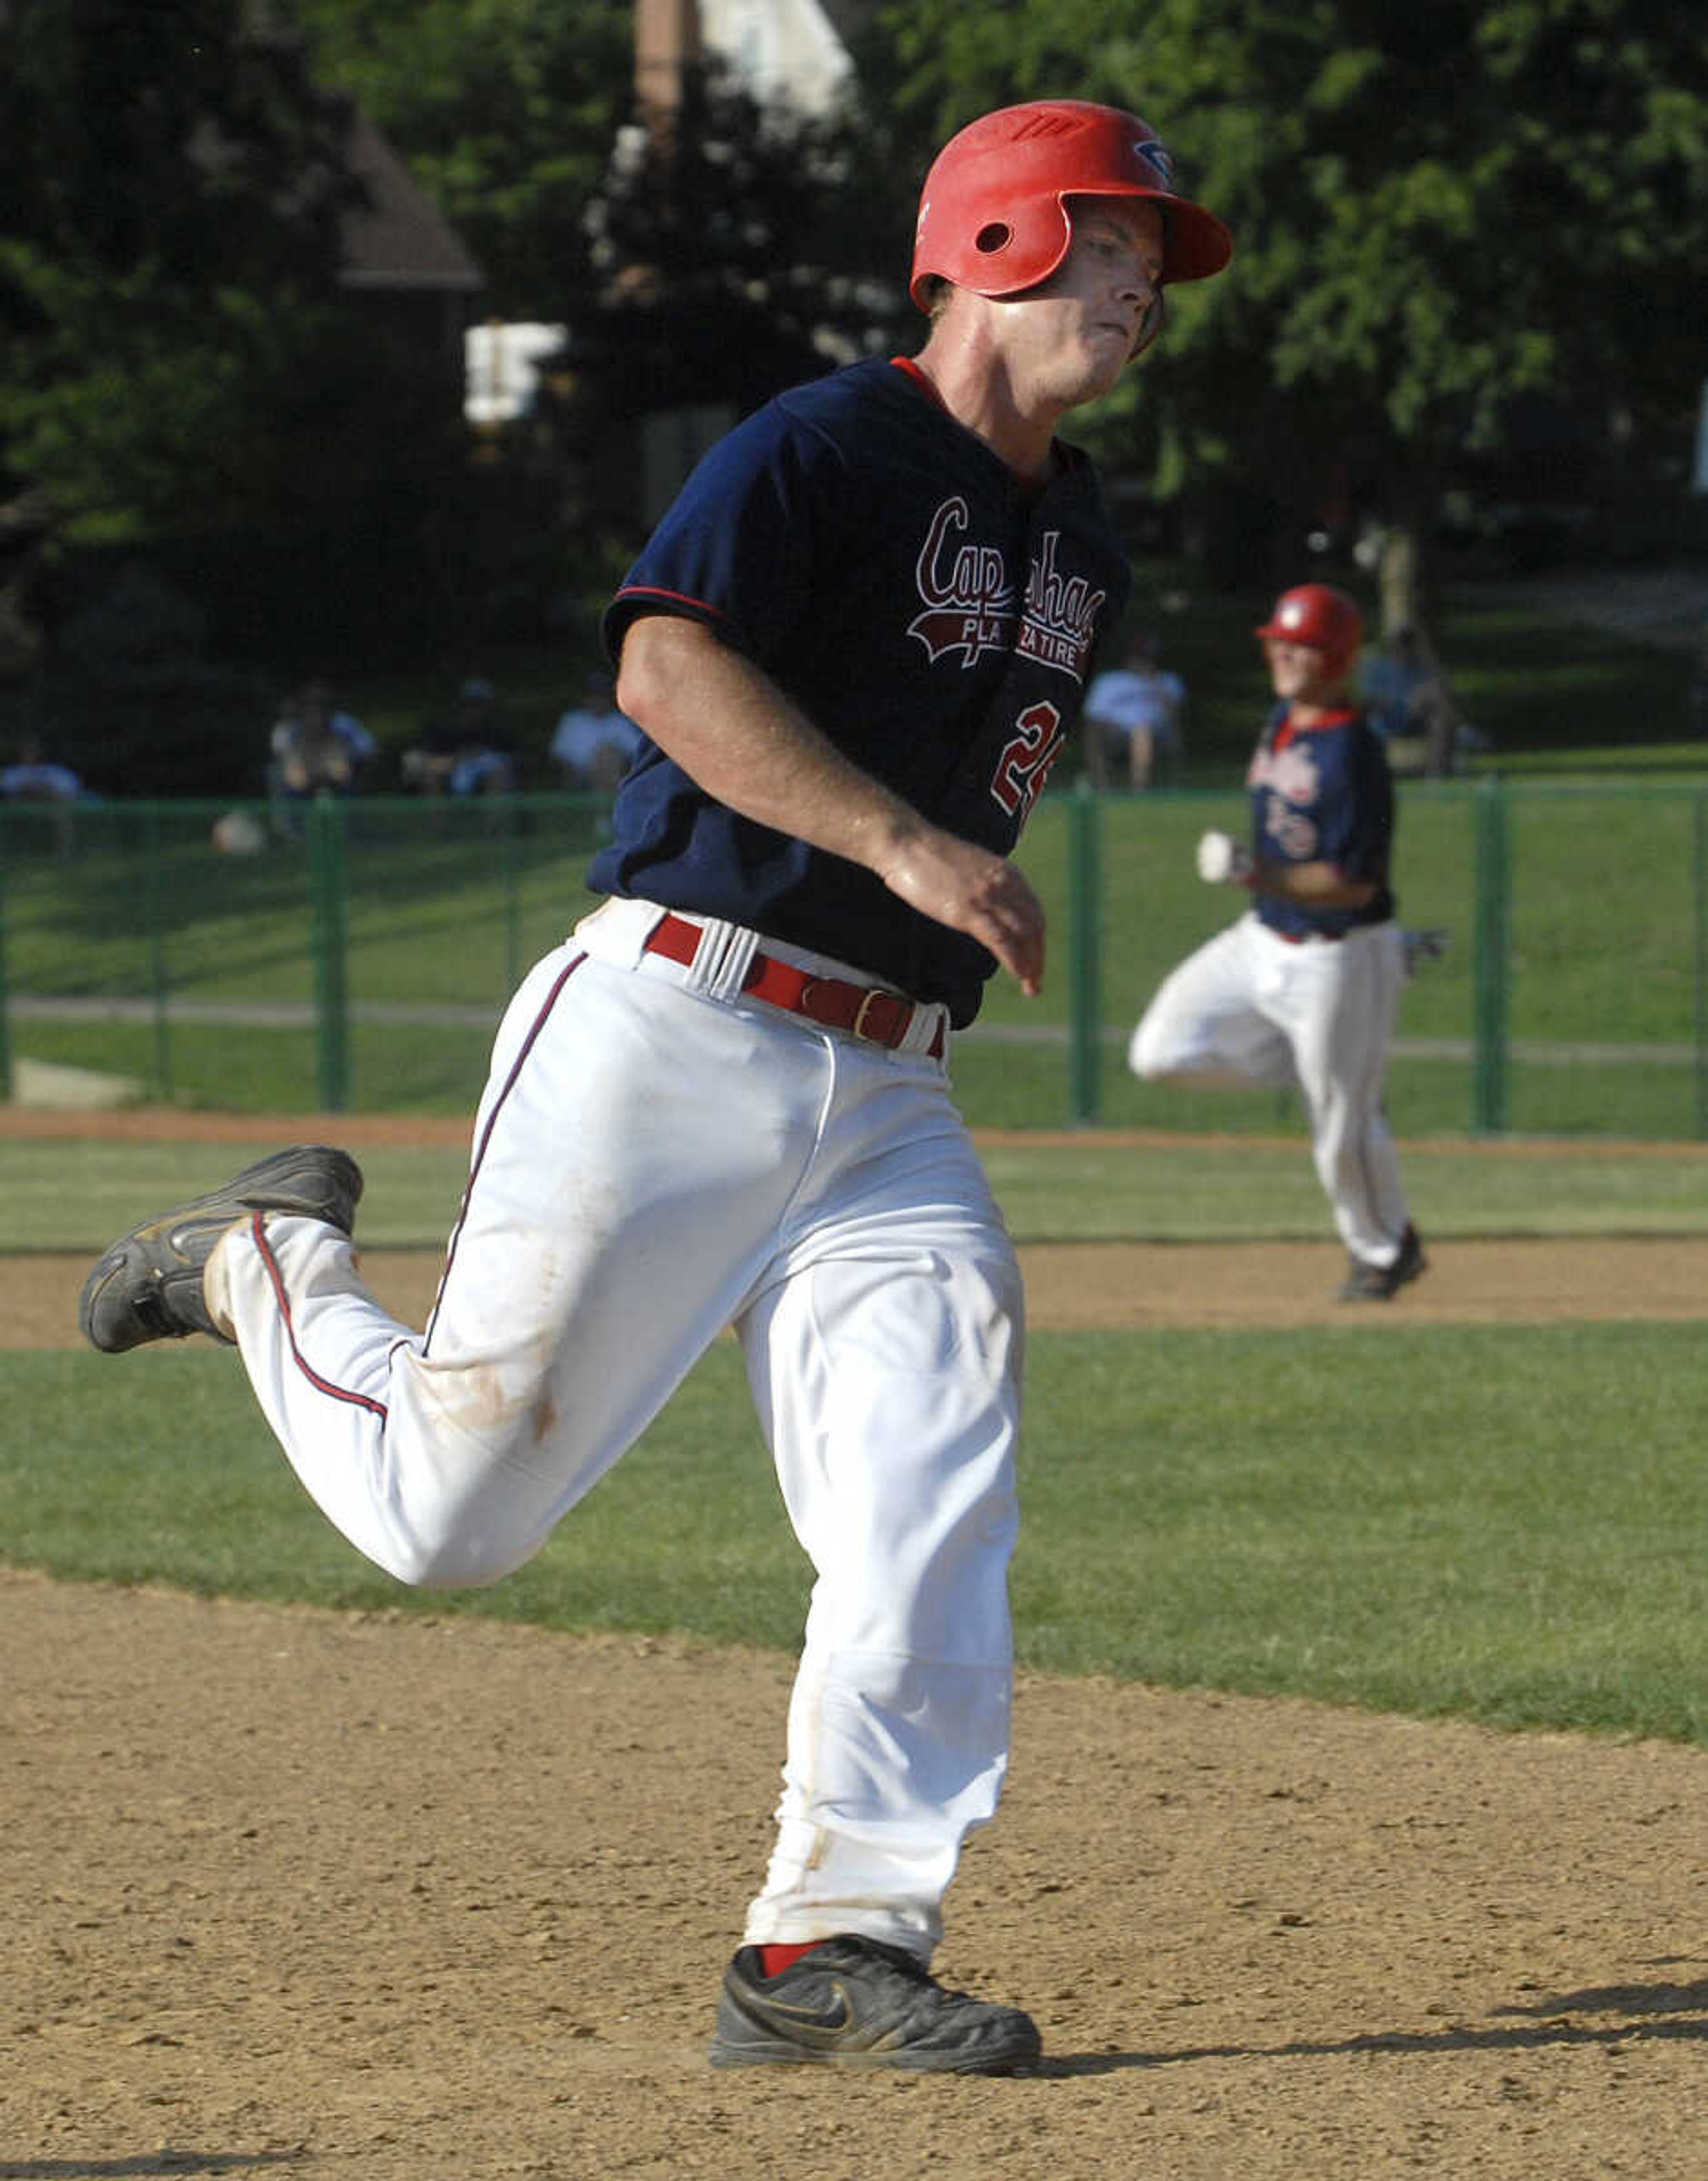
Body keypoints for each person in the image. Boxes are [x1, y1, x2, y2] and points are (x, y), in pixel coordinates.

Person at [77, 99, 1232, 2072]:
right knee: (453, 1521)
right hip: (678, 1025)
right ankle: (265, 1257)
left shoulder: (1083, 533)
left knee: (928, 1479)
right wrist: (898, 845)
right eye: (1114, 240)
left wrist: (920, 889)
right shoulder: (822, 445)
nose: (1145, 285)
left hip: (885, 1092)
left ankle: (825, 1948)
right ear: (1001, 240)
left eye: (1151, 259)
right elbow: (667, 674)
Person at [1128, 582, 1426, 1301]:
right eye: (1281, 643)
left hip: (1339, 953)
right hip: (1262, 937)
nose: (1287, 656)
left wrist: (1254, 872)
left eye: (1305, 647)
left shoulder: (1354, 749)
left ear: (1338, 657)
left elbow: (1353, 884)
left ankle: (1386, 1250)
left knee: (1341, 1131)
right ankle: (1330, 1069)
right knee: (1161, 1052)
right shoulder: (1283, 722)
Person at [1082, 630, 1186, 788]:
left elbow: (1175, 714)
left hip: (1156, 732)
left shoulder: (1168, 681)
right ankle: (1103, 785)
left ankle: (1140, 788)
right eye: (1141, 658)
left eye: (1149, 659)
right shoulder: (1110, 682)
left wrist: (1153, 681)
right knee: (1093, 733)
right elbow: (1094, 717)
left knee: (1141, 732)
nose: (1145, 663)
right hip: (1116, 732)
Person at [401, 678, 518, 796]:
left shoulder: (498, 729)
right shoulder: (449, 728)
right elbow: (432, 755)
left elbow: (512, 758)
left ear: (488, 706)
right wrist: (458, 758)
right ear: (463, 706)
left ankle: (494, 814)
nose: (475, 709)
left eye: (480, 704)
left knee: (496, 771)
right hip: (456, 765)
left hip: (490, 768)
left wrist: (482, 757)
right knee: (431, 771)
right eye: (471, 704)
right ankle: (435, 814)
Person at [549, 669, 645, 793]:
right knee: (605, 756)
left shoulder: (619, 722)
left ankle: (608, 803)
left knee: (608, 753)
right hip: (579, 778)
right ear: (585, 697)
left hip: (616, 776)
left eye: (602, 696)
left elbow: (636, 756)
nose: (598, 700)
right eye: (593, 695)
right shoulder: (573, 721)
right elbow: (560, 758)